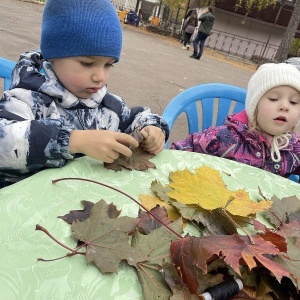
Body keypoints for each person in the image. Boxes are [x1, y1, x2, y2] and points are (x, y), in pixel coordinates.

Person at [0, 0, 169, 188]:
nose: (100, 77)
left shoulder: (107, 106)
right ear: (53, 56)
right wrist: (73, 140)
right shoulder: (28, 99)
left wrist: (152, 129)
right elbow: (3, 140)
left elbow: (134, 118)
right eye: (87, 64)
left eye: (108, 65)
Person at [171, 63, 300, 178]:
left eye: (294, 102)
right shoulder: (225, 138)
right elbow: (178, 151)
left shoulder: (294, 146)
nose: (285, 106)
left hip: (263, 204)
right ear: (254, 106)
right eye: (273, 99)